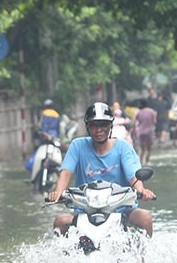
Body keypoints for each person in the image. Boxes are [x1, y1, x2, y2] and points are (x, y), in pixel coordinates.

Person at [48, 102, 155, 237]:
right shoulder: (77, 146)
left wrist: (141, 190)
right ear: (87, 127)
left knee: (145, 217)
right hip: (85, 210)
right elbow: (65, 173)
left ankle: (141, 258)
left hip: (121, 210)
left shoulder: (123, 147)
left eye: (103, 125)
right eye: (94, 125)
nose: (99, 130)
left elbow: (134, 176)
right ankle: (66, 257)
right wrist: (58, 192)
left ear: (110, 125)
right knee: (60, 221)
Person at [134, 98, 157, 164]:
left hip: (140, 132)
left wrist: (134, 133)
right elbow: (155, 121)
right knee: (148, 149)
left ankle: (140, 163)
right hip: (149, 132)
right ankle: (146, 162)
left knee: (141, 149)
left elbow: (133, 123)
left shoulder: (138, 112)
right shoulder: (152, 111)